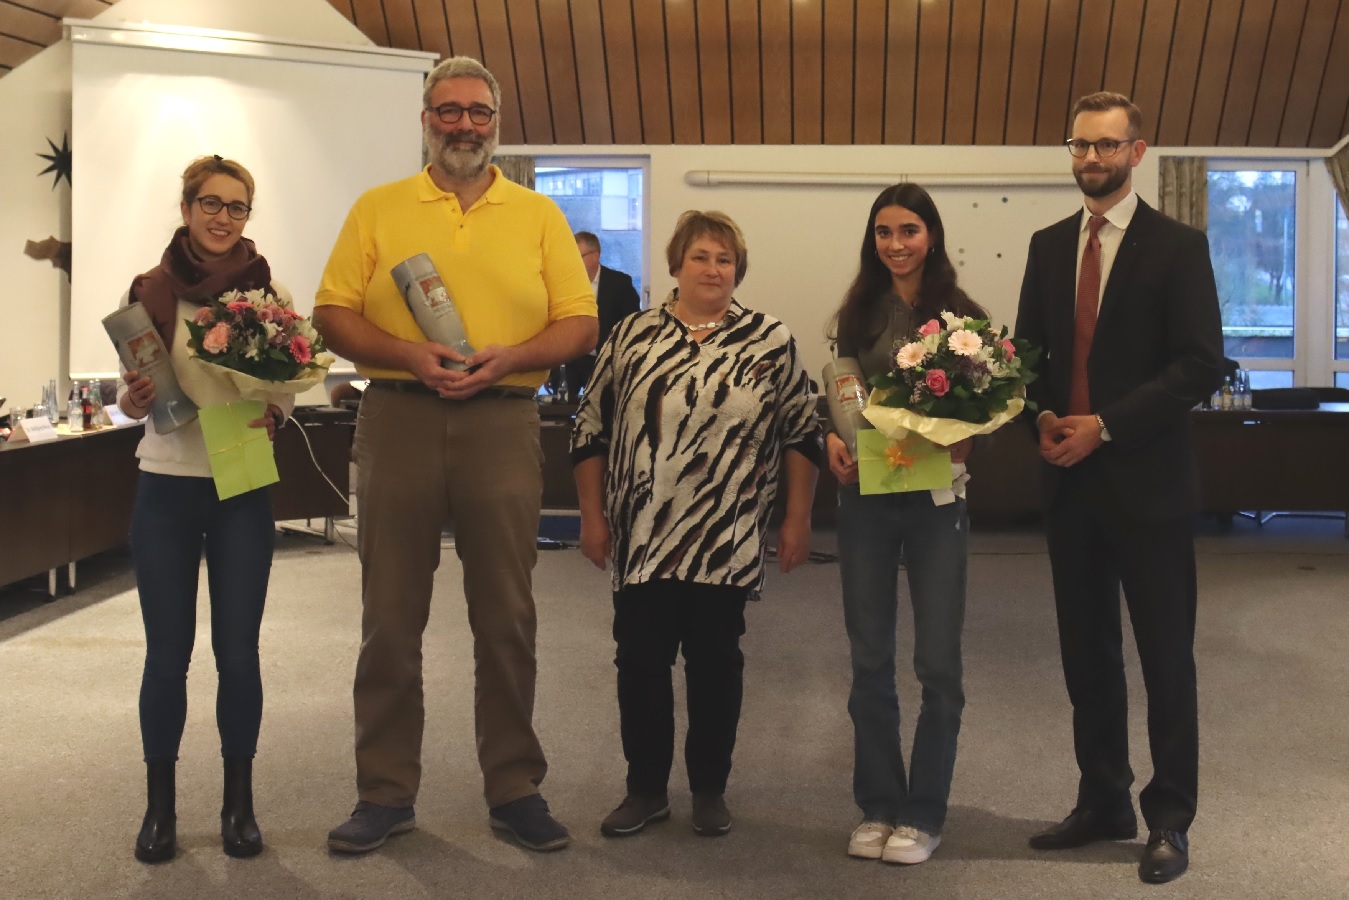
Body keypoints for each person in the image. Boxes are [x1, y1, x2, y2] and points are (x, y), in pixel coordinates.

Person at [314, 56, 597, 854]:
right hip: (398, 419)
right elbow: (332, 312)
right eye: (448, 111)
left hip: (503, 423)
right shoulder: (378, 208)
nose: (463, 125)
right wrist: (410, 354)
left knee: (505, 614)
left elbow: (579, 326)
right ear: (425, 118)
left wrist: (508, 359)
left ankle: (514, 787)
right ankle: (384, 792)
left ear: (496, 122)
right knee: (390, 621)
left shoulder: (538, 215)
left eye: (477, 112)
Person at [1013, 91, 1223, 885]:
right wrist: (1034, 415)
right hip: (1067, 486)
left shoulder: (1179, 246)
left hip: (1149, 486)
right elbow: (1026, 356)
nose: (1090, 160)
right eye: (1079, 146)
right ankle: (1101, 799)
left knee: (1166, 656)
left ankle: (1168, 817)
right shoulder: (1044, 245)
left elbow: (1200, 363)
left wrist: (1104, 422)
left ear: (1137, 152)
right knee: (1086, 655)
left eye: (1106, 146)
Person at [571, 210, 821, 840]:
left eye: (726, 260)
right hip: (642, 536)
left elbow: (802, 431)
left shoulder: (769, 340)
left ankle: (710, 788)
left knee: (717, 666)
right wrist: (592, 518)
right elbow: (589, 430)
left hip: (725, 536)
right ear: (676, 263)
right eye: (702, 257)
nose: (714, 269)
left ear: (738, 269)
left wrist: (796, 518)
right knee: (640, 664)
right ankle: (645, 790)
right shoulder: (630, 335)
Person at [119, 155, 290, 863]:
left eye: (237, 206)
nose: (223, 217)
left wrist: (275, 410)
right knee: (166, 656)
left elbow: (289, 381)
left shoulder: (267, 288)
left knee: (238, 653)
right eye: (210, 203)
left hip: (243, 482)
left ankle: (237, 806)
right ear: (186, 207)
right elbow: (137, 391)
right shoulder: (149, 289)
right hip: (167, 480)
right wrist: (130, 400)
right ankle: (160, 809)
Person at [823, 183, 984, 866]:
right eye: (884, 231)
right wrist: (831, 441)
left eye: (909, 231)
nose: (896, 244)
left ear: (932, 237)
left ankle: (922, 813)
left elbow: (984, 413)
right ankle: (878, 805)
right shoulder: (854, 311)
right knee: (869, 660)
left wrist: (965, 437)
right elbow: (832, 393)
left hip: (934, 503)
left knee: (937, 665)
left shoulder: (963, 319)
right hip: (864, 498)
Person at [556, 231, 641, 397]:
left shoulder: (619, 283)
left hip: (604, 361)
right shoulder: (565, 284)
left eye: (579, 256)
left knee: (602, 413)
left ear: (596, 255)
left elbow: (632, 325)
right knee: (561, 413)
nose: (573, 262)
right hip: (571, 360)